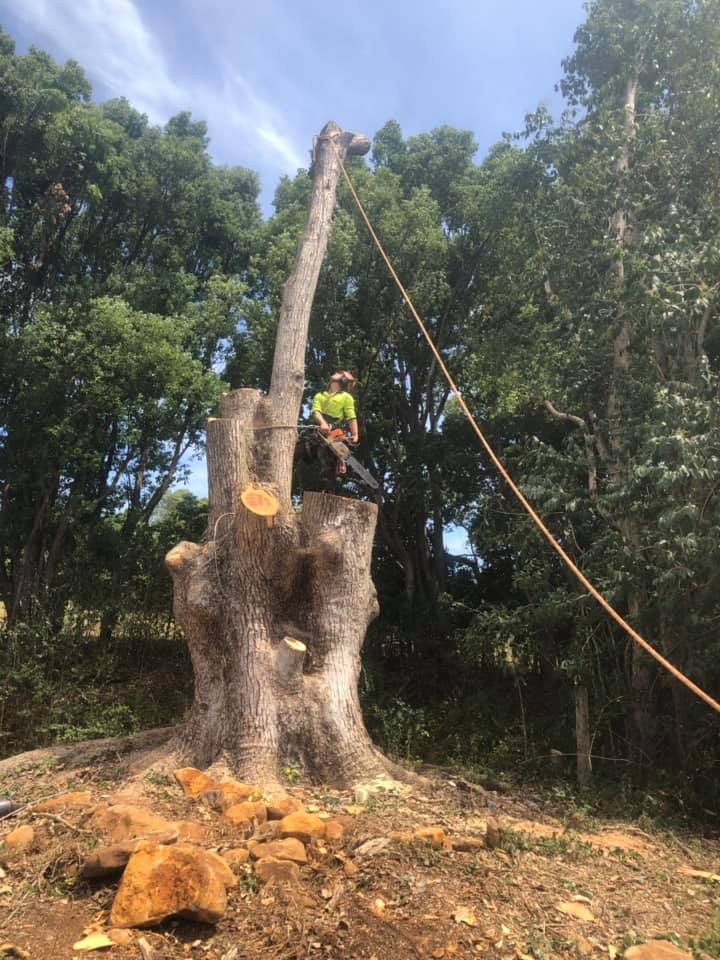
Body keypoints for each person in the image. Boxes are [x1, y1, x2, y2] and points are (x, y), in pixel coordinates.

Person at [307, 371, 359, 489]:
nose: (336, 373)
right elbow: (315, 411)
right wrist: (322, 423)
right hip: (318, 429)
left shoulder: (346, 397)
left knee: (329, 455)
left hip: (334, 428)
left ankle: (339, 460)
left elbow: (351, 417)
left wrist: (355, 434)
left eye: (340, 373)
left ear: (343, 380)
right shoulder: (320, 395)